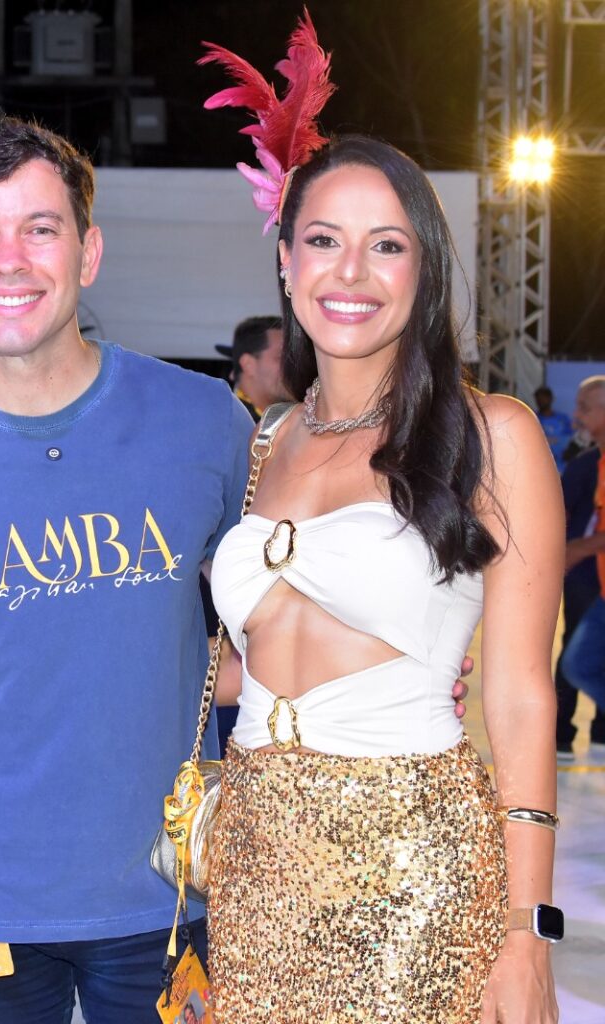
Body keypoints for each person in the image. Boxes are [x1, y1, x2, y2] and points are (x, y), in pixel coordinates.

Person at [0, 116, 256, 1024]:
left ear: (89, 251)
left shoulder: (204, 425)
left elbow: (268, 637)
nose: (9, 259)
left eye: (40, 228)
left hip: (171, 901)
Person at [202, 130, 561, 1022]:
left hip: (415, 868)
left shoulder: (493, 437)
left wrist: (526, 934)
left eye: (386, 245)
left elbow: (519, 699)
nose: (350, 271)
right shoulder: (263, 441)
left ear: (425, 269)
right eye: (324, 240)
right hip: (254, 873)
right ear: (286, 263)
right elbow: (245, 661)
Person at [554, 380, 605, 757]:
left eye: (585, 407)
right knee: (576, 661)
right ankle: (562, 732)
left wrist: (576, 549)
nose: (576, 417)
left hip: (589, 574)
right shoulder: (591, 462)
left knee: (577, 660)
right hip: (593, 580)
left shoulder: (590, 463)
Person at [214, 315, 290, 418]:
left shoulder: (281, 422)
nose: (293, 366)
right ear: (248, 365)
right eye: (281, 357)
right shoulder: (230, 423)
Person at [534, 386, 572, 470]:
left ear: (551, 398)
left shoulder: (563, 419)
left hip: (561, 468)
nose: (541, 401)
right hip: (539, 467)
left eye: (543, 398)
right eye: (538, 399)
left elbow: (570, 441)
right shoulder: (532, 419)